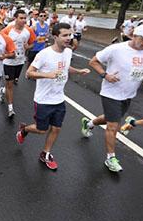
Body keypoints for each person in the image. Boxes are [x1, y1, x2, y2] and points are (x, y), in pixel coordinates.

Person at [81, 23, 143, 172]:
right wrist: (105, 75)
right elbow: (93, 61)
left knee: (111, 118)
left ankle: (89, 123)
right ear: (134, 35)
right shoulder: (116, 49)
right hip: (111, 93)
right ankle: (110, 158)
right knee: (113, 126)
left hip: (129, 93)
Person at [16, 22, 90, 169]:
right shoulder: (44, 54)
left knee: (56, 128)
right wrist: (47, 75)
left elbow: (65, 66)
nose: (69, 38)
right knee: (41, 129)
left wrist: (78, 71)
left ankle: (46, 153)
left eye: (70, 35)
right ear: (55, 36)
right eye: (65, 35)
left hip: (59, 98)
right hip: (43, 100)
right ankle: (24, 130)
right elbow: (29, 73)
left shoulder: (68, 52)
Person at [0, 10, 35, 117]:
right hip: (8, 61)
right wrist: (5, 52)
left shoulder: (28, 30)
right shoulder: (7, 30)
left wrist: (28, 47)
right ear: (15, 19)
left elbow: (33, 42)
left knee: (13, 81)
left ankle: (3, 90)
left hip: (20, 61)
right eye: (21, 18)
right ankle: (10, 108)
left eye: (25, 18)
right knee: (10, 85)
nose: (24, 20)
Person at [27, 10, 49, 74]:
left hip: (42, 47)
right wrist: (35, 38)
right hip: (34, 47)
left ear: (46, 17)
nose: (43, 17)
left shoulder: (47, 26)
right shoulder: (35, 26)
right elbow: (28, 35)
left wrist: (46, 40)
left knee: (39, 62)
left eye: (44, 16)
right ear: (38, 17)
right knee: (30, 61)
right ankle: (28, 73)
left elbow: (47, 35)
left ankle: (35, 73)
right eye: (41, 16)